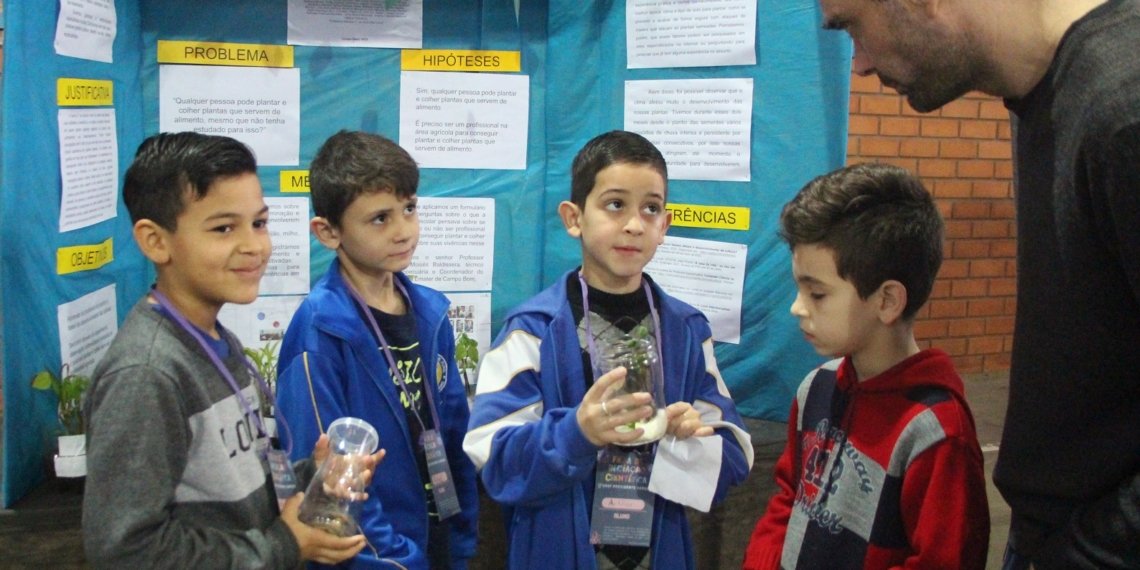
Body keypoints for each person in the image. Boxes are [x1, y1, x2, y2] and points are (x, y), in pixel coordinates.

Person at [816, 0, 1140, 566]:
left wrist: (1086, 551)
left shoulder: (1124, 102)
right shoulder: (1043, 92)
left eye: (851, 25)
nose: (859, 64)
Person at [83, 132, 378, 568]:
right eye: (224, 228)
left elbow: (226, 490)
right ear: (154, 241)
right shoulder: (147, 374)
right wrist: (283, 545)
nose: (254, 246)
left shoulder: (215, 340)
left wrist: (309, 476)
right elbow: (125, 550)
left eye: (259, 223)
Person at [463, 130, 754, 569]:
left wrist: (693, 436)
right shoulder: (532, 330)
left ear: (665, 227)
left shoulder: (687, 332)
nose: (635, 224)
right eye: (615, 204)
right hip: (558, 551)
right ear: (574, 217)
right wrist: (576, 433)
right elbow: (494, 460)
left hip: (660, 551)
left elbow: (735, 454)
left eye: (651, 209)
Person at [743, 163, 990, 569]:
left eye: (817, 294)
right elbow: (790, 496)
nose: (797, 307)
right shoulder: (816, 388)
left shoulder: (936, 434)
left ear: (887, 301)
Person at [275, 130, 479, 569]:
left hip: (438, 541)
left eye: (409, 209)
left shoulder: (431, 313)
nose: (403, 230)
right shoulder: (320, 333)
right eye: (380, 219)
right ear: (328, 232)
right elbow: (330, 489)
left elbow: (454, 438)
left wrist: (461, 540)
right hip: (377, 559)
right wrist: (398, 561)